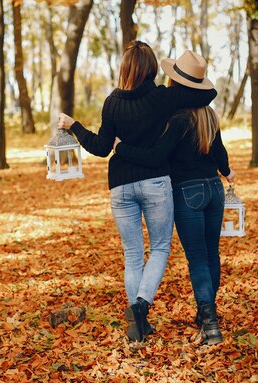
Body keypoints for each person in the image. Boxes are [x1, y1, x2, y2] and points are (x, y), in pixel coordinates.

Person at [58, 41, 217, 342]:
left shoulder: (112, 103)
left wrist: (74, 125)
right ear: (152, 68)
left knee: (132, 254)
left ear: (125, 68)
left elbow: (102, 148)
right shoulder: (162, 97)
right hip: (156, 182)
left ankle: (138, 326)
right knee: (159, 247)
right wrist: (186, 78)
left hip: (120, 184)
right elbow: (208, 94)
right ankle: (141, 307)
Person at [112, 50, 234, 345]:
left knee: (197, 260)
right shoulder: (210, 116)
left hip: (186, 192)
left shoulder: (177, 119)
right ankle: (206, 312)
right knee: (211, 253)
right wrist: (228, 173)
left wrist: (121, 148)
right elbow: (221, 154)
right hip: (214, 189)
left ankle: (210, 322)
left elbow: (156, 156)